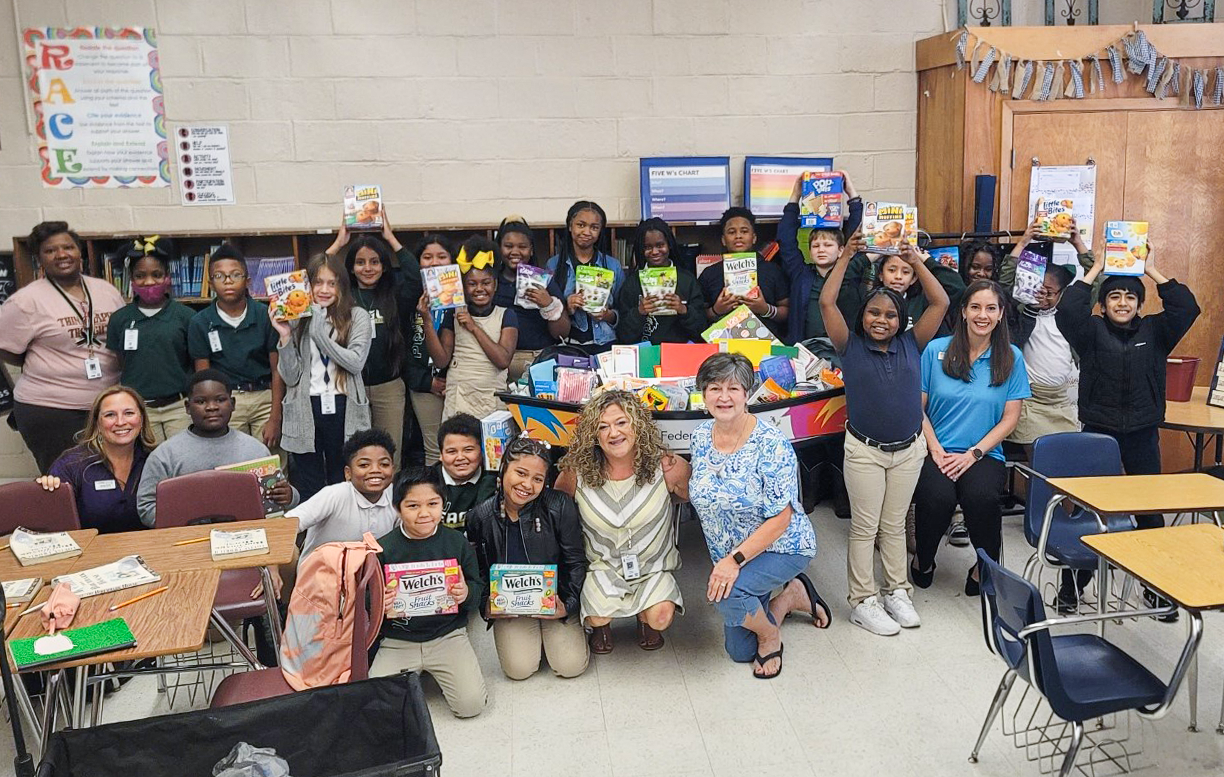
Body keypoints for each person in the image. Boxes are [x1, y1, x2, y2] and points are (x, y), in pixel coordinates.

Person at [1055, 243, 1199, 613]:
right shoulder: (1090, 332)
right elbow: (1068, 309)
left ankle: (1156, 588)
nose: (1122, 303)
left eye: (1130, 297)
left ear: (1139, 304)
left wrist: (1149, 268)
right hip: (1098, 435)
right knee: (1090, 511)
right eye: (1114, 297)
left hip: (1141, 433)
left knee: (1149, 514)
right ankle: (1073, 587)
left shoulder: (1157, 331)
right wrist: (1095, 268)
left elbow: (1186, 307)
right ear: (1102, 305)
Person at [821, 234, 949, 636]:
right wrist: (846, 255)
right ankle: (862, 600)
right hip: (865, 452)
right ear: (862, 316)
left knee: (893, 526)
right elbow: (827, 302)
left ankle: (897, 590)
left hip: (909, 451)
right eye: (873, 313)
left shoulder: (913, 343)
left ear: (901, 321)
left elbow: (941, 302)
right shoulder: (850, 346)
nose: (881, 320)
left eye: (890, 315)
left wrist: (913, 259)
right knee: (865, 527)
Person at [688, 353, 830, 679]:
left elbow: (780, 520)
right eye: (714, 388)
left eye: (733, 388)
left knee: (728, 596)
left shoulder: (772, 445)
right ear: (703, 393)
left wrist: (732, 562)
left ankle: (771, 634)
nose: (723, 397)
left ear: (747, 393)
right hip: (736, 553)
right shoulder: (699, 437)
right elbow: (706, 491)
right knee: (740, 652)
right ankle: (791, 597)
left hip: (781, 546)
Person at [912, 281, 1030, 595]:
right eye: (975, 307)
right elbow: (917, 408)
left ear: (1001, 313)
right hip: (935, 449)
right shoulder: (937, 350)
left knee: (983, 499)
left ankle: (983, 567)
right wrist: (935, 448)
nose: (983, 315)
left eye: (991, 308)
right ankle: (924, 560)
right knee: (935, 499)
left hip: (984, 453)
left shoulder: (1012, 357)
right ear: (963, 311)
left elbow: (1010, 418)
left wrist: (974, 453)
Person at [555, 391, 690, 653]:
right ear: (593, 435)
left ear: (637, 424)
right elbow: (556, 514)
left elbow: (698, 502)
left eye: (621, 422)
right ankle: (601, 626)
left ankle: (645, 619)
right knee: (597, 616)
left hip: (653, 566)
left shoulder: (668, 467)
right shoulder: (575, 473)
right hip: (601, 567)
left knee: (660, 617)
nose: (613, 433)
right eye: (602, 427)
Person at [0, 221, 126, 471]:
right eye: (50, 250)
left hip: (107, 404)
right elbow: (5, 347)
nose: (61, 255)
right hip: (51, 410)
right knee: (66, 481)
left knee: (109, 478)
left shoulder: (106, 290)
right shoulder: (26, 301)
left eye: (68, 247)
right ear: (38, 258)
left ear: (79, 251)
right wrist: (42, 363)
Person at [465, 436, 589, 680]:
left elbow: (576, 560)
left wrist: (568, 605)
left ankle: (565, 632)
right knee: (519, 670)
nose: (527, 485)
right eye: (520, 473)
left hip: (555, 597)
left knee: (571, 666)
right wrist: (486, 605)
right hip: (510, 607)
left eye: (537, 479)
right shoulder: (480, 516)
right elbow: (477, 570)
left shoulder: (560, 506)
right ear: (503, 470)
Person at [373, 467, 486, 718]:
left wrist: (465, 592)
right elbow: (366, 604)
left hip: (447, 635)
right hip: (398, 640)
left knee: (471, 706)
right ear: (397, 508)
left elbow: (478, 589)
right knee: (379, 709)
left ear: (443, 504)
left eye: (432, 504)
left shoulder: (456, 542)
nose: (424, 513)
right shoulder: (382, 549)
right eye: (413, 506)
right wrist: (380, 602)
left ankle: (435, 673)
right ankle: (415, 677)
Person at [136, 369, 297, 526]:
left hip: (246, 536)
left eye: (220, 400)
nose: (211, 407)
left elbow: (282, 498)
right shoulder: (165, 455)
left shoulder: (255, 450)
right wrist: (188, 519)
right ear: (187, 407)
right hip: (187, 541)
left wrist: (289, 496)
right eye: (201, 401)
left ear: (232, 404)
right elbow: (146, 507)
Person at [272, 254, 373, 501]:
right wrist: (285, 335)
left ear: (342, 286)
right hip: (306, 405)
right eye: (318, 282)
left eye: (332, 283)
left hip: (344, 404)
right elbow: (291, 376)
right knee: (309, 481)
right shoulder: (296, 316)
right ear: (307, 286)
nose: (324, 290)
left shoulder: (357, 316)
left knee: (345, 477)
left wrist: (318, 331)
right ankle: (313, 538)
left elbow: (355, 362)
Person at [1000, 218, 1097, 456]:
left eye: (1050, 292)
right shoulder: (1023, 310)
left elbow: (1098, 281)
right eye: (1038, 288)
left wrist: (1078, 243)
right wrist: (1024, 241)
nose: (1042, 295)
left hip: (1062, 402)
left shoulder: (1072, 314)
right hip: (1030, 402)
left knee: (1068, 463)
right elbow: (1003, 283)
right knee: (1041, 461)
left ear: (1064, 292)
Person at [328, 207, 415, 467]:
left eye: (375, 261)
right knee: (357, 456)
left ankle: (390, 506)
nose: (368, 268)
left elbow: (415, 278)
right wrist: (339, 243)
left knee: (390, 456)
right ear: (351, 268)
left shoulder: (396, 293)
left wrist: (390, 237)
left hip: (388, 387)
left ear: (385, 266)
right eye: (360, 262)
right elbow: (309, 278)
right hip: (349, 386)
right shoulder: (341, 295)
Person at [187, 244, 284, 450]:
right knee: (230, 464)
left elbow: (278, 370)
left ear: (247, 280)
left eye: (235, 275)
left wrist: (275, 417)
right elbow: (204, 378)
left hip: (264, 398)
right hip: (227, 401)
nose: (228, 281)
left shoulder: (265, 315)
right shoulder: (200, 322)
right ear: (210, 283)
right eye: (220, 276)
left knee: (270, 466)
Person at [105, 236, 195, 442]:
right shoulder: (120, 319)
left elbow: (194, 362)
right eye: (140, 276)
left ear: (167, 277)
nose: (149, 282)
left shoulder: (186, 316)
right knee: (148, 464)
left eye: (156, 275)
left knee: (182, 464)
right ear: (132, 279)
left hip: (179, 407)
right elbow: (122, 362)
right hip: (140, 409)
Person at [36, 386, 156, 534]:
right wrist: (47, 490)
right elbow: (53, 522)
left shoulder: (156, 459)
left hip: (149, 549)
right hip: (91, 552)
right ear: (97, 423)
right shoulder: (71, 464)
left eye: (129, 413)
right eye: (110, 415)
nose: (120, 422)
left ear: (142, 419)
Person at [428, 236, 518, 422]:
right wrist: (426, 320)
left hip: (493, 398)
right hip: (458, 397)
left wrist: (473, 327)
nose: (479, 289)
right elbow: (441, 360)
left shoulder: (506, 315)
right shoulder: (454, 313)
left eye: (485, 283)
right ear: (463, 286)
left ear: (495, 285)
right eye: (472, 284)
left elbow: (503, 360)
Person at [778, 172, 866, 351]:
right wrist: (795, 196)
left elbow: (855, 235)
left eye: (827, 245)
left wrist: (852, 196)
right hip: (804, 350)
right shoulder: (800, 274)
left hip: (843, 351)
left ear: (841, 250)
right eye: (816, 246)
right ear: (809, 251)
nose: (821, 249)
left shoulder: (849, 272)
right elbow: (785, 240)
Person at [285, 429, 398, 566]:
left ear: (393, 468)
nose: (375, 470)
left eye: (384, 464)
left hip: (373, 577)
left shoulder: (398, 496)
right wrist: (274, 568)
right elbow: (287, 525)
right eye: (364, 465)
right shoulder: (334, 495)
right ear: (348, 473)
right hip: (322, 577)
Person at [494, 216, 570, 382]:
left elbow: (562, 333)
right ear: (499, 248)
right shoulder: (490, 282)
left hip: (537, 359)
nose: (515, 252)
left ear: (531, 250)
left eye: (522, 247)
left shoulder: (543, 281)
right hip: (497, 363)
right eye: (508, 246)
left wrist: (549, 305)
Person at [700, 207, 791, 342]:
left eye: (744, 231)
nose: (738, 236)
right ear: (723, 240)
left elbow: (787, 311)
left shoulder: (772, 270)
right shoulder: (710, 274)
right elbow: (698, 316)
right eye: (731, 232)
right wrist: (716, 310)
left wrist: (765, 309)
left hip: (765, 345)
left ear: (753, 238)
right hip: (724, 348)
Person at [546, 201, 624, 352]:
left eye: (594, 227)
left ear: (600, 231)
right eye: (581, 225)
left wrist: (607, 315)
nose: (587, 232)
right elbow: (547, 310)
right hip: (569, 345)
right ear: (570, 226)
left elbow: (623, 311)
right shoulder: (554, 265)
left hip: (606, 345)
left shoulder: (613, 266)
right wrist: (567, 308)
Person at [615, 218, 708, 345]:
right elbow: (623, 336)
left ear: (669, 244)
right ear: (641, 249)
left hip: (680, 352)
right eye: (648, 247)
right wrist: (639, 313)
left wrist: (683, 310)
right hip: (645, 353)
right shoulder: (632, 284)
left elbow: (702, 331)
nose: (654, 252)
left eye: (660, 245)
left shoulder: (687, 280)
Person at [405, 235, 455, 465]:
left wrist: (448, 380)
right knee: (435, 451)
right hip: (424, 385)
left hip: (455, 385)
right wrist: (427, 382)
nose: (434, 263)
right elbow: (400, 350)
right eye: (427, 257)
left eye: (441, 256)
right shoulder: (407, 297)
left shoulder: (462, 298)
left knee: (461, 448)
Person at [433, 413, 498, 531]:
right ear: (441, 455)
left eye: (468, 450)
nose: (460, 457)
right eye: (451, 451)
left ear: (483, 451)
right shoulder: (426, 482)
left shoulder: (494, 481)